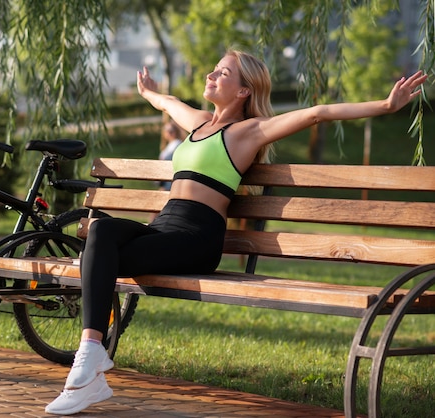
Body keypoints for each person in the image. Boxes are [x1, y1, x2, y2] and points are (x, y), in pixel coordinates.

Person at [45, 49, 427, 415]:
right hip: (164, 227)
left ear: (244, 91)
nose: (211, 75)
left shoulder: (250, 131)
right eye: (214, 69)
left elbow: (318, 113)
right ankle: (91, 359)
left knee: (99, 258)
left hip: (197, 237)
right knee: (101, 234)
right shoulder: (197, 123)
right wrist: (148, 92)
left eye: (223, 72)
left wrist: (385, 106)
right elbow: (167, 103)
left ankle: (89, 357)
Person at [158, 121, 183, 191]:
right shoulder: (169, 145)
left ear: (176, 131)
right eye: (166, 130)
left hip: (170, 179)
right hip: (165, 177)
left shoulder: (177, 144)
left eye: (171, 131)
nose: (168, 133)